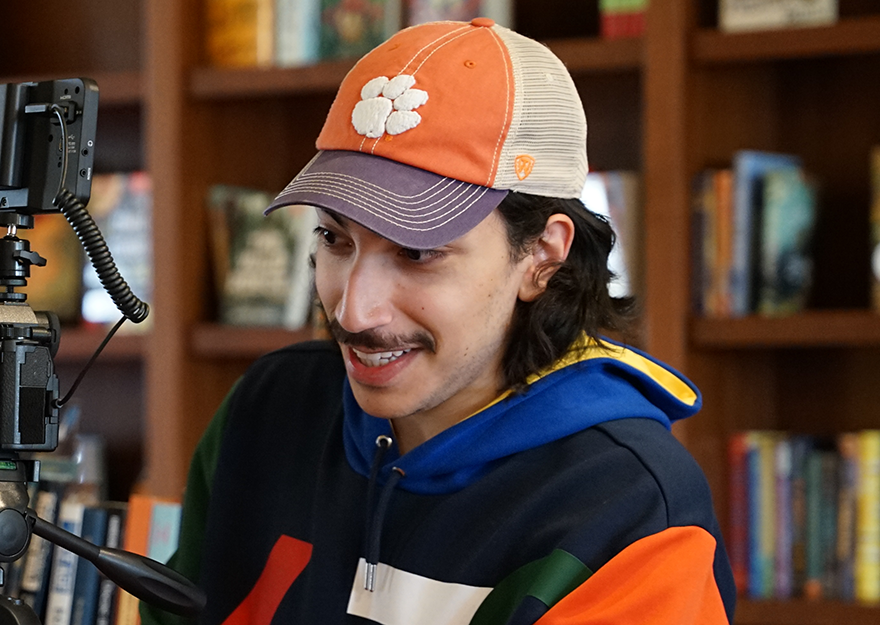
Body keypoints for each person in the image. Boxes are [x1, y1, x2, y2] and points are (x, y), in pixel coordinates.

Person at [146, 19, 734, 625]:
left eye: (417, 252)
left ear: (542, 257)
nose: (353, 310)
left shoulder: (635, 511)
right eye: (334, 237)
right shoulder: (269, 406)